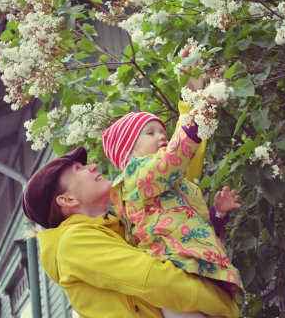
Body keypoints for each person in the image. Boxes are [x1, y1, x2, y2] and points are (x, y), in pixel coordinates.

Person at [22, 146, 240, 318]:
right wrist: (224, 305)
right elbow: (156, 279)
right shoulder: (73, 242)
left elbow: (178, 184)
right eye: (79, 170)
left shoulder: (116, 227)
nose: (94, 166)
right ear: (67, 200)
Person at [100, 103, 244, 305]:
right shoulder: (136, 174)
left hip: (199, 266)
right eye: (150, 133)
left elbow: (200, 229)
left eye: (163, 132)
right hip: (174, 264)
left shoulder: (179, 184)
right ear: (128, 152)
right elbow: (173, 158)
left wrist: (218, 213)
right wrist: (195, 121)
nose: (161, 136)